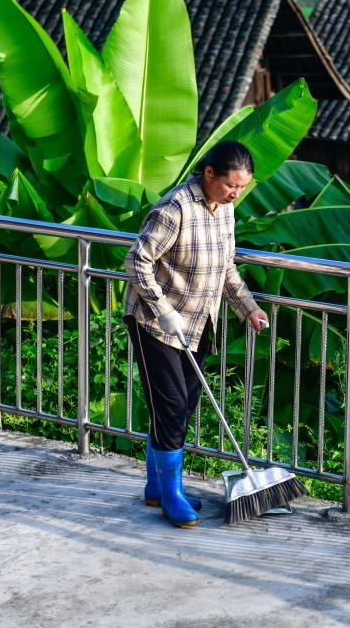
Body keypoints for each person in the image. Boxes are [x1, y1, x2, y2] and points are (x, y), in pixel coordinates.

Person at [124, 140, 268, 528]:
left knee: (183, 405)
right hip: (156, 324)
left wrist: (248, 307)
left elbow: (226, 267)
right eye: (231, 185)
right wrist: (162, 308)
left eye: (241, 187)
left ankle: (156, 487)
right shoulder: (176, 208)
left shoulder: (226, 210)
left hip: (201, 322)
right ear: (209, 174)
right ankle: (172, 494)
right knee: (169, 406)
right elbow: (137, 261)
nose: (236, 193)